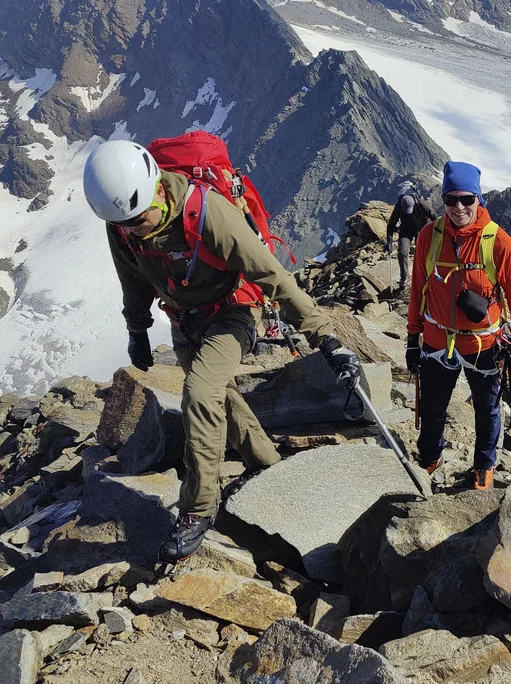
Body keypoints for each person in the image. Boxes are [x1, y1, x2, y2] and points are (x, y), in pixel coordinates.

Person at [83, 139, 360, 562]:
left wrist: (326, 338)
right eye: (125, 224)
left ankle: (199, 508)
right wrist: (136, 330)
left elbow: (272, 275)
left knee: (201, 392)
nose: (133, 229)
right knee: (220, 398)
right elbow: (133, 280)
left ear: (157, 187)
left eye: (139, 220)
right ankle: (268, 465)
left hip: (234, 312)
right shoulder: (120, 220)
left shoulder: (209, 213)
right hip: (184, 318)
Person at [406, 161, 511, 490]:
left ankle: (483, 467)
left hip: (483, 345)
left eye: (466, 199)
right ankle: (430, 458)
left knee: (487, 410)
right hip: (436, 341)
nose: (458, 207)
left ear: (479, 198)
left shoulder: (498, 242)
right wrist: (411, 337)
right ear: (442, 200)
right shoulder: (428, 237)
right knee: (433, 408)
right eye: (450, 199)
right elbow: (418, 288)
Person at [385, 180, 436, 292]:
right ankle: (405, 277)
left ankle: (425, 275)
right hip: (406, 230)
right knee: (402, 252)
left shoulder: (422, 204)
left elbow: (435, 219)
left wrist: (436, 234)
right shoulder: (399, 206)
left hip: (421, 229)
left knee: (422, 253)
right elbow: (392, 224)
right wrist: (389, 241)